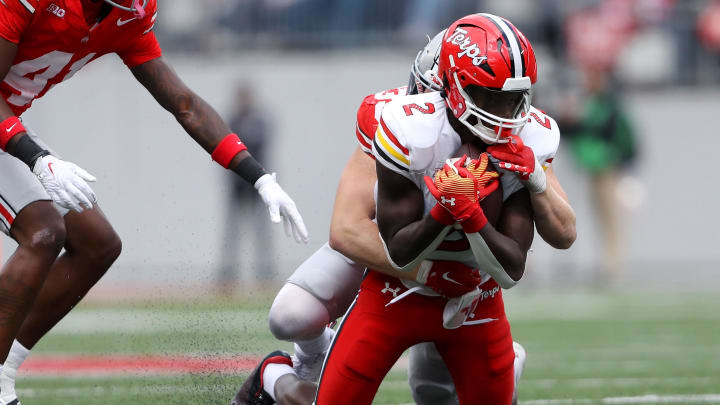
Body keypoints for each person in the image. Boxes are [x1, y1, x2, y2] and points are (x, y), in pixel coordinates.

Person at [233, 13, 575, 405]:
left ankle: (498, 363)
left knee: (435, 394)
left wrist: (531, 182)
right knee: (291, 315)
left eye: (507, 99)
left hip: (466, 275)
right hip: (387, 255)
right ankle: (305, 363)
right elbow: (348, 231)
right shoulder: (399, 121)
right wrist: (430, 269)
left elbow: (559, 233)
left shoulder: (522, 134)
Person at [0, 1, 307, 403]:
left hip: (10, 124)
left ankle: (5, 367)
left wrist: (260, 176)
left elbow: (184, 102)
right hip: (8, 126)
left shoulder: (128, 15)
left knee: (97, 245)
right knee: (43, 231)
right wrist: (36, 159)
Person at [217, 84, 275, 292]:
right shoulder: (233, 121)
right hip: (238, 184)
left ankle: (265, 273)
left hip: (256, 184)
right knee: (233, 230)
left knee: (261, 230)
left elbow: (260, 146)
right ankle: (228, 274)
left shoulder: (258, 121)